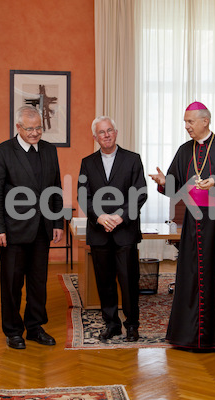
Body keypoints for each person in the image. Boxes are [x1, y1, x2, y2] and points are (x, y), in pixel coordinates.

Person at [149, 101, 215, 361]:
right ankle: (191, 337)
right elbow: (177, 188)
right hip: (195, 225)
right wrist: (164, 183)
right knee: (193, 279)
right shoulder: (185, 150)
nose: (186, 127)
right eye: (185, 122)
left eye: (190, 122)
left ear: (205, 121)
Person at [0, 105, 64, 350]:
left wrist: (57, 221)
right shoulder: (2, 152)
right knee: (11, 283)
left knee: (38, 282)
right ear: (18, 127)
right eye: (29, 129)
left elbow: (55, 188)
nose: (35, 133)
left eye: (39, 128)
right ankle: (12, 331)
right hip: (12, 231)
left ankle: (35, 327)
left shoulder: (50, 151)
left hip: (42, 228)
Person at [78, 116, 147, 342]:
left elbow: (140, 192)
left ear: (116, 133)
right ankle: (112, 324)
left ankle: (132, 324)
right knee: (104, 282)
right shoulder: (87, 162)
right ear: (95, 137)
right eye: (101, 132)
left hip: (124, 231)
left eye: (109, 131)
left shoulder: (133, 159)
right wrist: (99, 217)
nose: (106, 135)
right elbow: (83, 195)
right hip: (99, 232)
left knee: (128, 281)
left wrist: (120, 216)